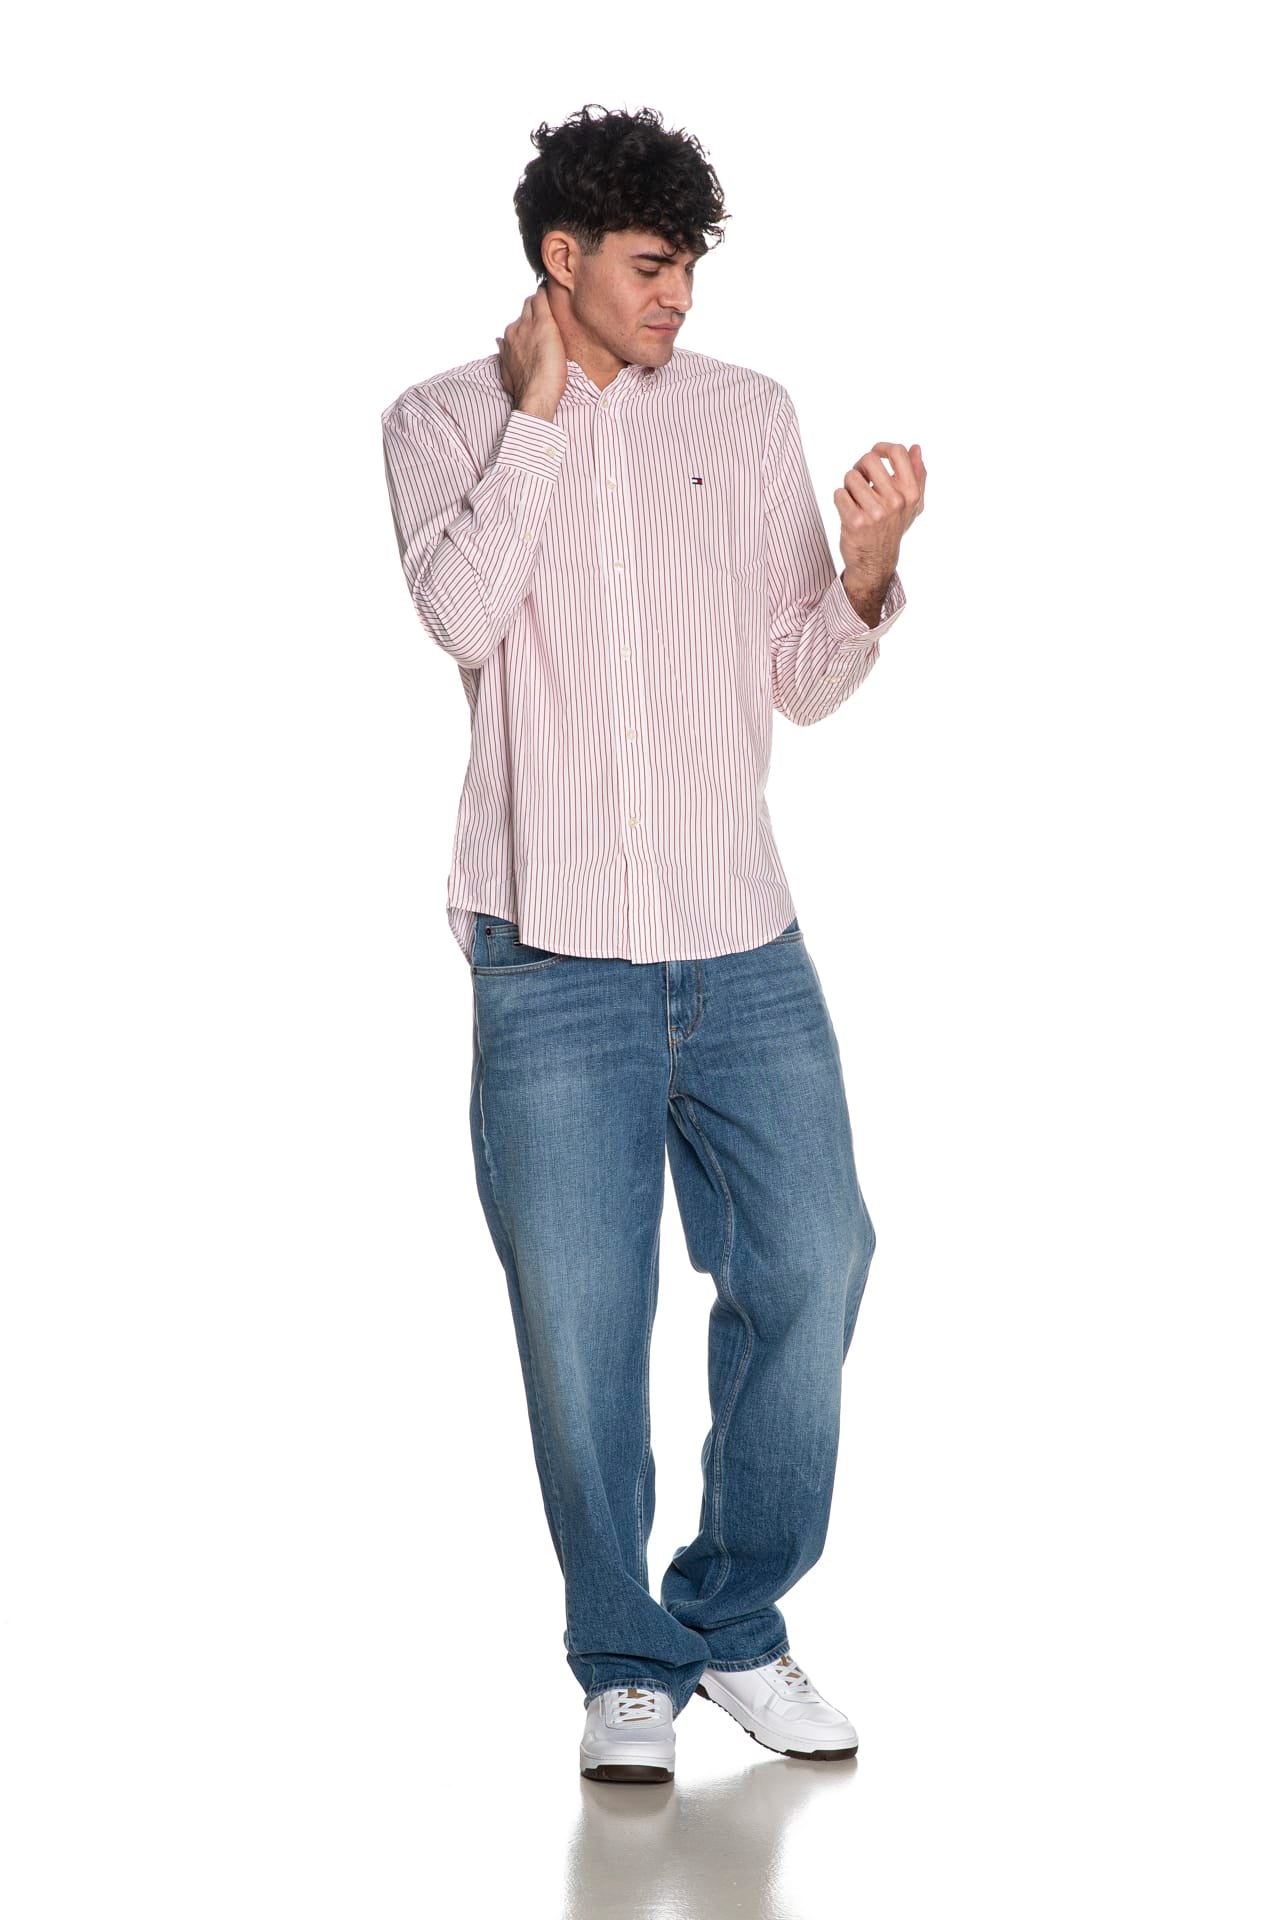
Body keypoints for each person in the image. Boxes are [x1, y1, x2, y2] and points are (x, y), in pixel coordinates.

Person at [380, 102, 925, 1785]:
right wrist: (542, 416)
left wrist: (867, 571)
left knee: (816, 1260)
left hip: (740, 942)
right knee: (581, 1331)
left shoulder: (747, 416)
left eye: (689, 265)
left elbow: (804, 682)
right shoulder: (441, 421)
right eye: (648, 264)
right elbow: (460, 617)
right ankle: (625, 1659)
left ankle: (734, 1622)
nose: (680, 294)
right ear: (564, 260)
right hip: (548, 957)